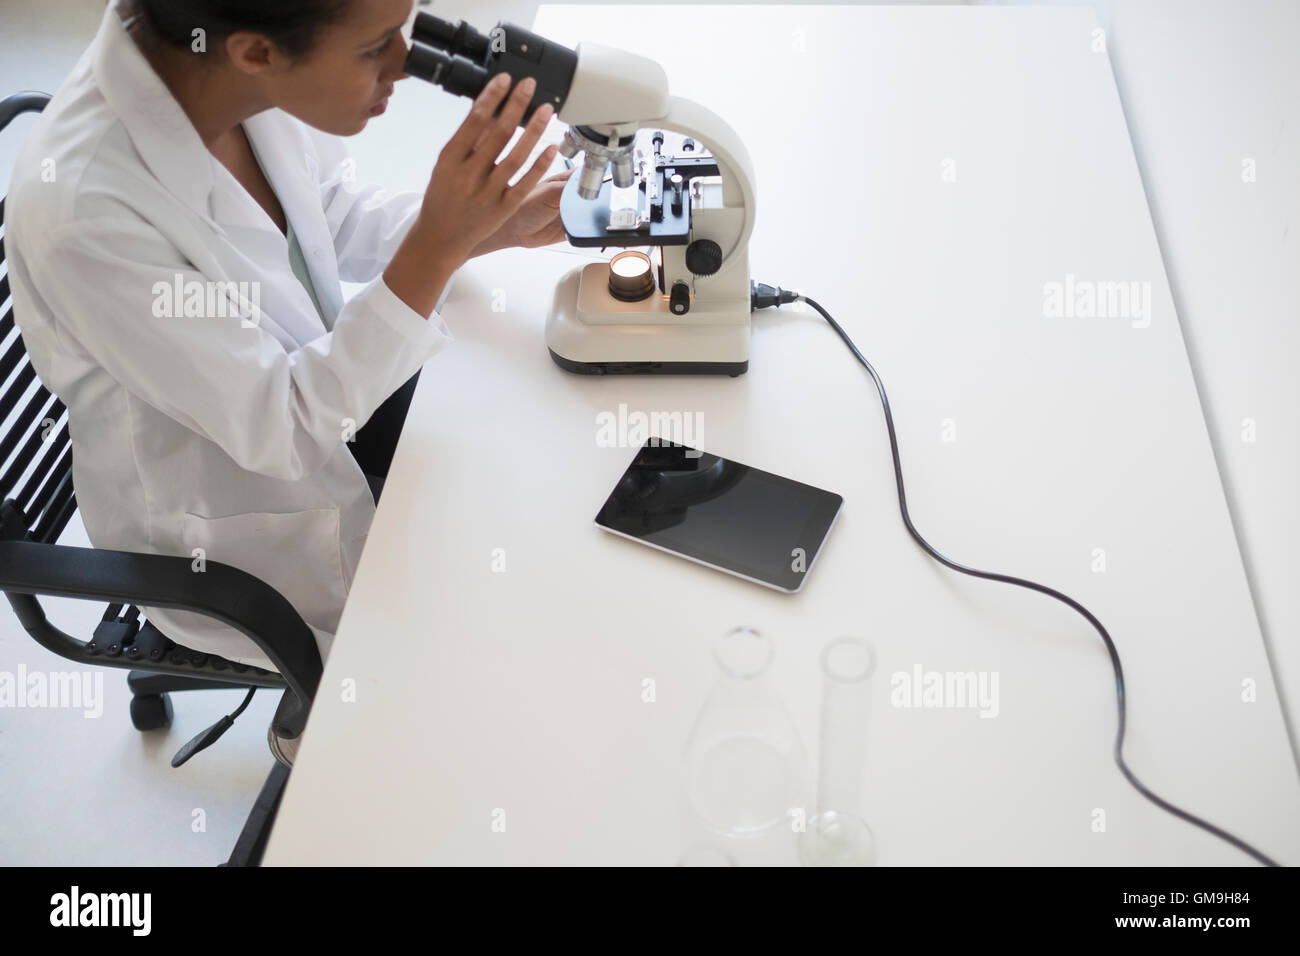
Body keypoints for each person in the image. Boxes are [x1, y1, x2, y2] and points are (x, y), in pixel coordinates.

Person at [5, 0, 572, 766]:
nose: (404, 62)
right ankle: (327, 741)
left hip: (327, 399)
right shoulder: (84, 212)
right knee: (488, 717)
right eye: (376, 47)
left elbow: (329, 217)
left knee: (544, 482)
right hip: (241, 540)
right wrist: (436, 245)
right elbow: (284, 427)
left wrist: (480, 227)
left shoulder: (221, 82)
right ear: (256, 52)